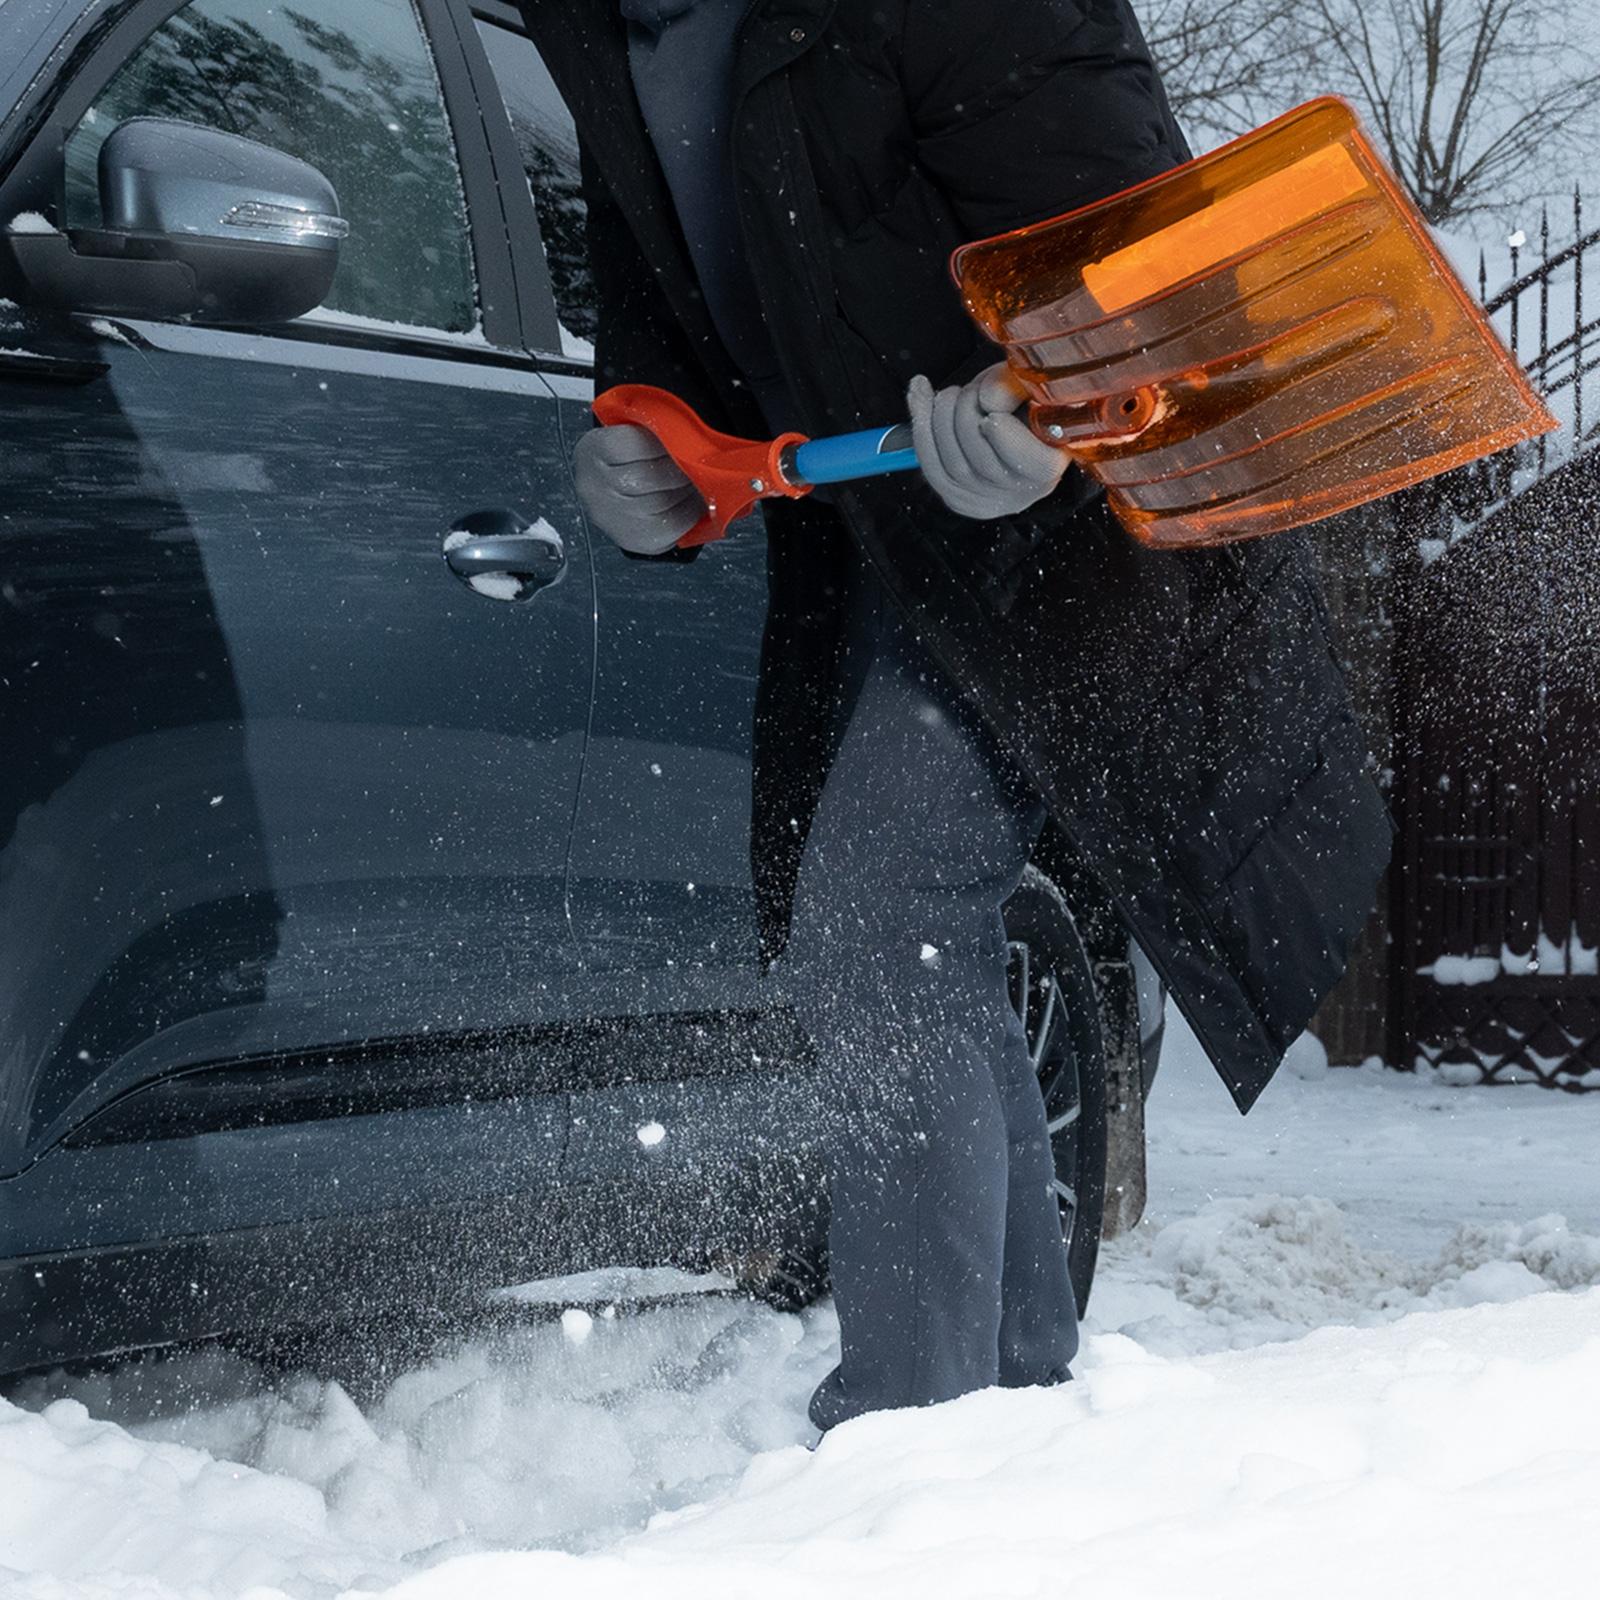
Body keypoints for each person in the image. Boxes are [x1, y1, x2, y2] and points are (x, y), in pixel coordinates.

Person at [518, 0, 1393, 1432]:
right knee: (903, 937)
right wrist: (653, 436)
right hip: (881, 541)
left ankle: (909, 1443)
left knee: (881, 919)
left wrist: (1060, 409)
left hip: (1091, 544)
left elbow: (1153, 271)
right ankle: (1009, 1416)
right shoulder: (590, 20)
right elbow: (661, 276)